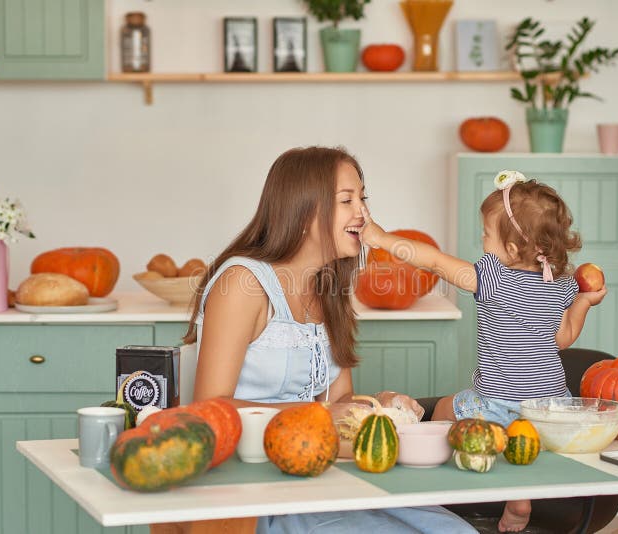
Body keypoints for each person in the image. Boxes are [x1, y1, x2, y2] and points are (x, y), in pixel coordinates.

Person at [183, 146, 478, 534]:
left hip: (323, 472)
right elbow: (210, 407)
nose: (363, 213)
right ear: (305, 212)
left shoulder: (329, 288)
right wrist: (319, 416)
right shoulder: (243, 283)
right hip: (254, 486)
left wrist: (379, 404)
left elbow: (338, 401)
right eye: (346, 200)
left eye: (363, 198)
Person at [359, 170, 607, 533]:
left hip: (496, 403)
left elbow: (433, 261)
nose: (482, 241)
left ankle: (431, 480)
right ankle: (519, 498)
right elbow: (562, 340)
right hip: (548, 407)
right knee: (522, 447)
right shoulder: (561, 287)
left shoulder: (493, 278)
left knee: (444, 409)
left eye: (486, 235)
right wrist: (584, 301)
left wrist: (381, 237)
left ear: (509, 249)